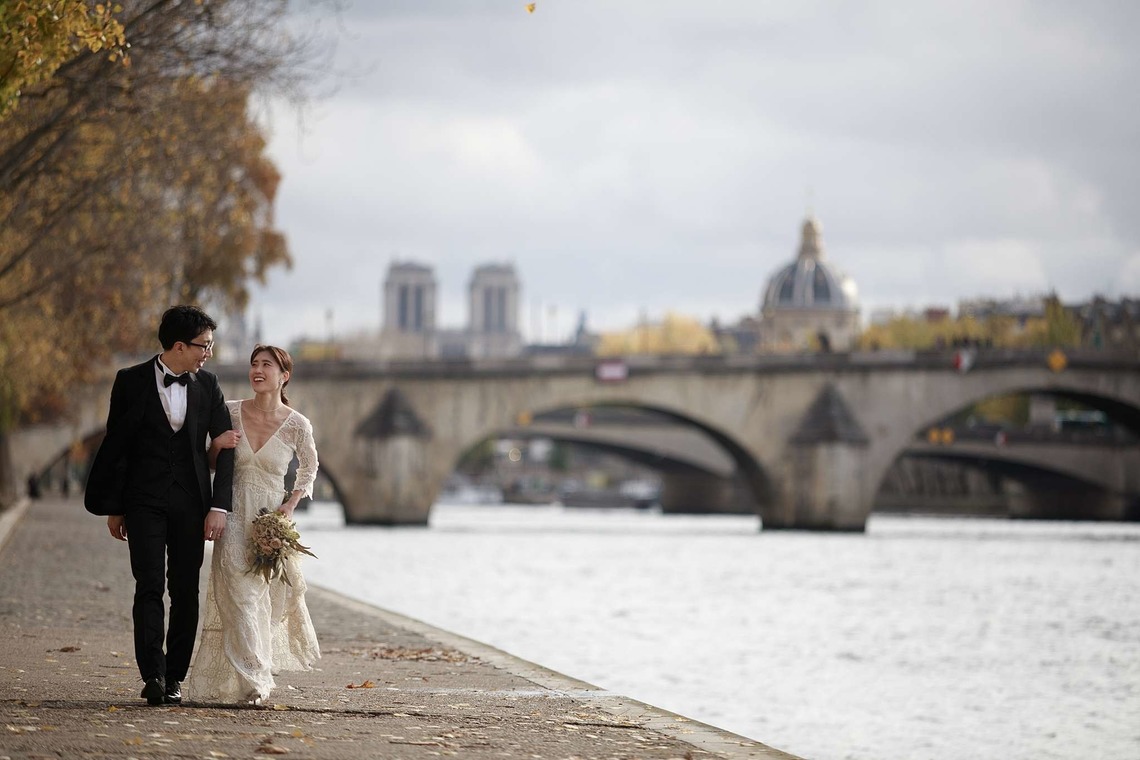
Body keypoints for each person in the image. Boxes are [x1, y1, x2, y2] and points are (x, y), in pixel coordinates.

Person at [84, 305, 235, 706]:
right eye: (204, 345)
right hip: (143, 502)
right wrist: (116, 506)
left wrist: (219, 506)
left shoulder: (209, 386)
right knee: (147, 586)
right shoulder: (129, 381)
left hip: (192, 504)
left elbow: (227, 445)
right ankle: (152, 674)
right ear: (179, 345)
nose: (209, 353)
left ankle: (174, 677)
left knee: (185, 591)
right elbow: (117, 447)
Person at [186, 344, 320, 705]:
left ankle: (249, 675)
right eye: (254, 364)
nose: (258, 370)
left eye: (267, 365)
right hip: (230, 514)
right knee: (240, 599)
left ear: (284, 375)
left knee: (261, 601)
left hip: (267, 524)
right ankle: (256, 678)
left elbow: (310, 466)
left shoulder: (296, 424)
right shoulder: (229, 412)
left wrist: (290, 505)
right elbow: (210, 462)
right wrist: (218, 445)